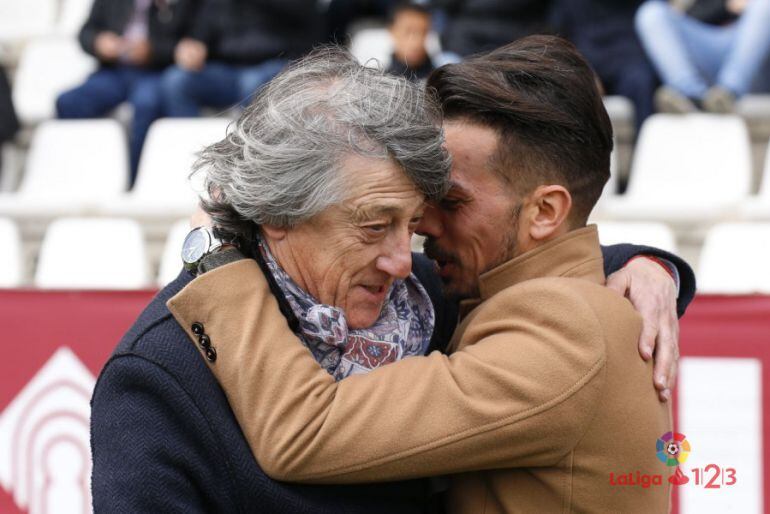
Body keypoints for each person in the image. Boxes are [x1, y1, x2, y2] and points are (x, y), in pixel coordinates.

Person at [167, 38, 696, 512]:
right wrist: (650, 264)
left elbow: (307, 430)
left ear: (545, 212)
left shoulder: (565, 331)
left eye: (450, 202)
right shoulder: (561, 302)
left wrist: (215, 258)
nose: (423, 227)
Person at [90, 47, 453, 513]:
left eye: (413, 223)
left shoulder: (437, 300)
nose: (402, 262)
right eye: (374, 227)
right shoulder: (161, 374)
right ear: (278, 212)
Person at [56, 0, 199, 183]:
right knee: (68, 102)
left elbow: (193, 43)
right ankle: (78, 177)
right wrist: (98, 42)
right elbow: (86, 32)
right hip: (115, 72)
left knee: (146, 105)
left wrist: (153, 50)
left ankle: (135, 181)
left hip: (157, 72)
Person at [160, 0, 319, 117]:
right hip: (227, 71)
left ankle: (248, 156)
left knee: (252, 83)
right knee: (177, 80)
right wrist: (193, 47)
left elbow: (305, 16)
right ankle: (191, 153)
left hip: (275, 64)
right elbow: (201, 31)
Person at [636, 0, 770, 113]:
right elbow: (691, 15)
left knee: (764, 5)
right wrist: (725, 6)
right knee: (651, 13)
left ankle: (728, 94)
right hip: (702, 46)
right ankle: (690, 96)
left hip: (751, 59)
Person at [552, 0, 658, 133]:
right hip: (584, 62)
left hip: (628, 63)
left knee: (641, 80)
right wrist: (585, 70)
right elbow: (559, 37)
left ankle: (646, 147)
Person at [386, 1, 436, 82]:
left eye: (423, 32)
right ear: (392, 31)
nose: (416, 42)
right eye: (408, 31)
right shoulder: (380, 83)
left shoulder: (441, 81)